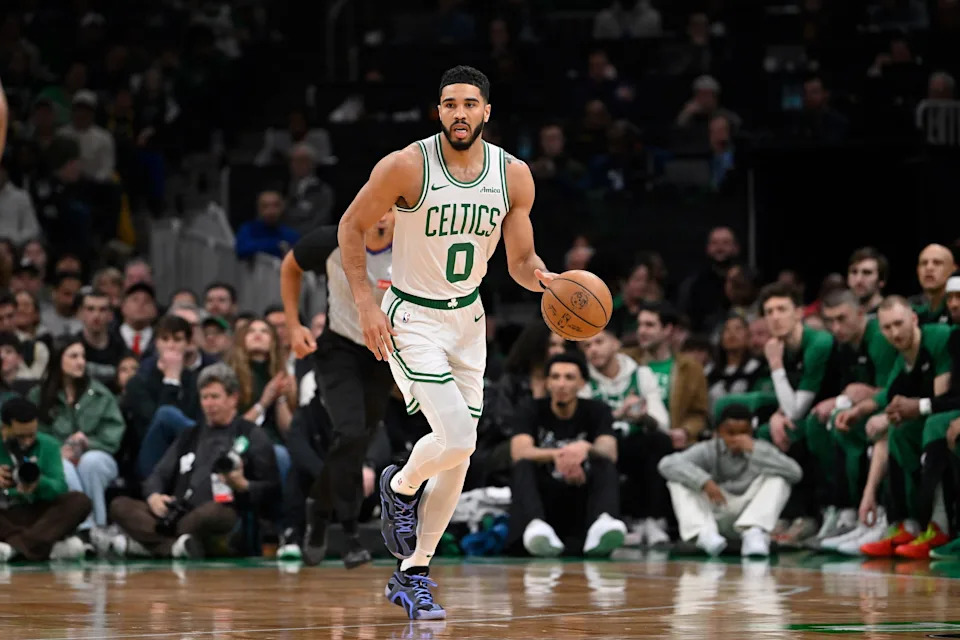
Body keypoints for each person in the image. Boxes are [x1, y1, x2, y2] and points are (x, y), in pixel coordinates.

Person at [335, 66, 556, 620]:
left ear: (487, 112)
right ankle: (402, 485)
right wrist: (364, 302)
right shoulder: (408, 165)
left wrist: (549, 281)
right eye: (450, 104)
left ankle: (414, 575)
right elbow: (350, 226)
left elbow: (522, 264)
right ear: (438, 112)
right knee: (458, 435)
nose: (460, 113)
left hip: (468, 321)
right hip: (411, 318)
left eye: (470, 104)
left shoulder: (514, 176)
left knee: (460, 452)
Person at [280, 211, 396, 569]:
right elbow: (290, 267)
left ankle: (318, 507)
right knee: (348, 430)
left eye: (391, 208)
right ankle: (348, 534)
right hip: (338, 348)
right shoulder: (332, 239)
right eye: (375, 206)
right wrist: (293, 324)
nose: (381, 216)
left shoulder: (414, 247)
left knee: (360, 438)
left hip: (383, 352)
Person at [107, 364, 280, 558]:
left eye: (215, 397)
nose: (208, 404)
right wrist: (154, 497)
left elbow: (272, 489)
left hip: (222, 512)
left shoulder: (251, 435)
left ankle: (149, 545)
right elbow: (158, 475)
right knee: (119, 505)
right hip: (178, 510)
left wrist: (243, 485)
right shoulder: (190, 435)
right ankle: (173, 548)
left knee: (211, 513)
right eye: (204, 398)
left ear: (233, 398)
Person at [834, 296, 954, 559]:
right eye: (887, 328)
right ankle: (903, 525)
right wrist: (869, 494)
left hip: (948, 413)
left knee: (932, 427)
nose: (894, 333)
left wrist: (892, 414)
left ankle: (939, 528)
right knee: (896, 432)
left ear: (913, 319)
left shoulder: (939, 338)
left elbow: (943, 399)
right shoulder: (901, 365)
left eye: (899, 324)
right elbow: (887, 417)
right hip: (933, 415)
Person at [507, 352, 625, 557]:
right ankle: (537, 528)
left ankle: (603, 523)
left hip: (581, 495)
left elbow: (610, 451)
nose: (561, 384)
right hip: (545, 497)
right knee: (523, 465)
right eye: (555, 377)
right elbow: (519, 451)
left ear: (582, 383)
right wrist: (563, 455)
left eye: (569, 377)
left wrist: (586, 448)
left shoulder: (597, 410)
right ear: (547, 383)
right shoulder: (530, 408)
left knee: (604, 463)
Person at [658, 404, 802, 557]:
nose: (737, 438)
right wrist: (703, 481)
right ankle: (703, 534)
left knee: (779, 478)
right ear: (719, 432)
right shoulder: (708, 448)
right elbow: (667, 464)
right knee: (678, 481)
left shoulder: (761, 448)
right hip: (716, 509)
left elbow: (795, 472)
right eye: (731, 433)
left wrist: (755, 450)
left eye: (743, 433)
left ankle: (754, 533)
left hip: (748, 510)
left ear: (751, 431)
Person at [579, 327, 671, 546]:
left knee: (658, 442)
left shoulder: (641, 375)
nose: (593, 350)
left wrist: (641, 415)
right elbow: (584, 428)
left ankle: (653, 520)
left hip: (636, 443)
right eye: (587, 346)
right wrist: (618, 414)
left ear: (616, 344)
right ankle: (619, 520)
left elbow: (663, 422)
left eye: (599, 342)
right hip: (602, 446)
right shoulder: (583, 382)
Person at [28, 337, 126, 529]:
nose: (81, 362)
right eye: (73, 356)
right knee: (63, 466)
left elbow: (113, 435)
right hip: (57, 457)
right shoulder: (38, 396)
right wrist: (57, 450)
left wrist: (87, 443)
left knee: (90, 463)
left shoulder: (100, 394)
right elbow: (34, 436)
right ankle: (86, 527)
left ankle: (100, 524)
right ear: (58, 360)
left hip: (97, 455)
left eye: (83, 356)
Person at [0, 397, 92, 562]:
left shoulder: (48, 444)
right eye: (21, 436)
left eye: (31, 435)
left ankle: (16, 548)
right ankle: (44, 547)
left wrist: (39, 483)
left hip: (38, 513)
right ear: (4, 429)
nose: (27, 441)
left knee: (79, 501)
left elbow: (60, 488)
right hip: (6, 514)